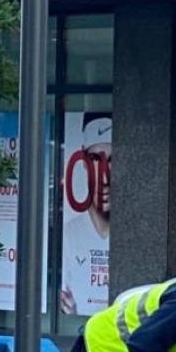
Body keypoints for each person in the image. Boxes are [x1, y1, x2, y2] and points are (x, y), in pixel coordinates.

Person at [61, 113, 112, 317]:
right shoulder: (68, 234)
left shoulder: (134, 233)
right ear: (82, 162)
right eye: (95, 160)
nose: (105, 177)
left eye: (112, 160)